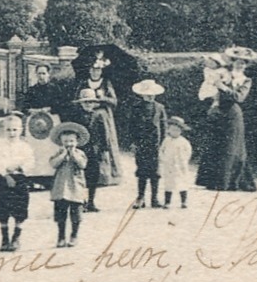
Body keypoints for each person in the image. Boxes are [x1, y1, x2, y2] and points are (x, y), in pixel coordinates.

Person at [195, 46, 257, 193]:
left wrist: (222, 87)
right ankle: (212, 181)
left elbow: (239, 97)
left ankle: (228, 182)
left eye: (243, 63)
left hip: (232, 114)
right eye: (237, 61)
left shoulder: (246, 80)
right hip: (218, 111)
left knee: (231, 146)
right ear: (233, 62)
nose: (239, 64)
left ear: (246, 65)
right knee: (215, 143)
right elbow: (211, 87)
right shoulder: (223, 73)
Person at [0, 113, 35, 252]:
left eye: (15, 129)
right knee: (3, 208)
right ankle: (4, 238)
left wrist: (20, 167)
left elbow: (30, 161)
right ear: (4, 130)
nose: (11, 133)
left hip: (20, 178)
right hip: (3, 179)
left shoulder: (25, 147)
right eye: (8, 130)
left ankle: (16, 237)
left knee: (20, 208)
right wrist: (5, 174)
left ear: (20, 130)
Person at [75, 86, 121, 212]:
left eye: (90, 102)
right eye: (85, 102)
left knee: (93, 176)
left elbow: (104, 132)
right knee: (81, 176)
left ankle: (91, 201)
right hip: (81, 149)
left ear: (94, 103)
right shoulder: (76, 116)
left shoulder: (99, 115)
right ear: (81, 104)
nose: (88, 105)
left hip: (94, 150)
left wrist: (104, 148)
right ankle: (81, 201)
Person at [128, 79, 169, 209]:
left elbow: (164, 126)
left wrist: (164, 143)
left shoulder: (160, 107)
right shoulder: (136, 108)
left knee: (155, 172)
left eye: (152, 94)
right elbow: (131, 127)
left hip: (155, 144)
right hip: (141, 143)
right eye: (147, 94)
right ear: (142, 94)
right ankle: (140, 197)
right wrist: (133, 142)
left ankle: (155, 198)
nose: (150, 96)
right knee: (142, 171)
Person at [49, 122, 89, 248]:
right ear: (61, 142)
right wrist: (62, 155)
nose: (69, 144)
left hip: (76, 187)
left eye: (71, 141)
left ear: (76, 142)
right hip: (61, 187)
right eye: (66, 141)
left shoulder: (80, 153)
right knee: (60, 213)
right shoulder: (58, 153)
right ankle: (61, 236)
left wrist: (73, 154)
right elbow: (53, 164)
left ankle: (74, 235)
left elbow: (83, 165)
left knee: (76, 213)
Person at [159, 116, 193, 208]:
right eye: (173, 130)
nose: (175, 132)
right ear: (169, 130)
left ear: (181, 131)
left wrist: (184, 160)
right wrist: (164, 159)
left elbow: (188, 151)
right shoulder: (166, 140)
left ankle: (184, 202)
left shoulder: (183, 142)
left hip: (180, 166)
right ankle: (167, 202)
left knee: (182, 183)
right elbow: (161, 150)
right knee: (168, 184)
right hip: (169, 165)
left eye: (177, 130)